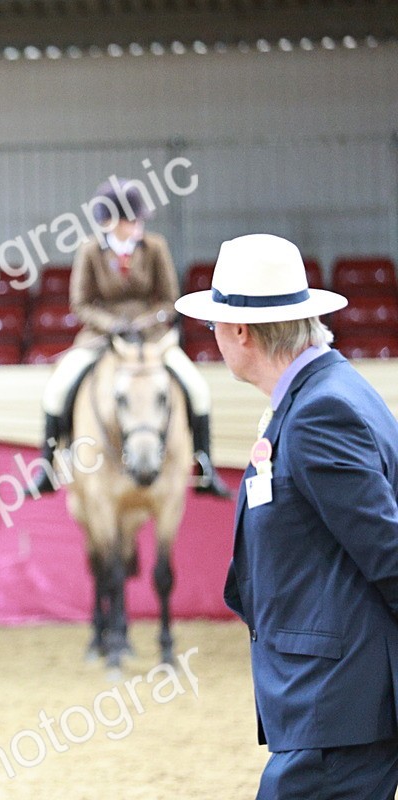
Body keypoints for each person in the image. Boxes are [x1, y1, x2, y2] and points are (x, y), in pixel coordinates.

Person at [177, 233, 398, 799]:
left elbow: (389, 553)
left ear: (242, 332)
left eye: (216, 325)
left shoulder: (319, 412)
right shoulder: (327, 393)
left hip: (338, 707)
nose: (215, 338)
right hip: (334, 705)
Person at [26, 179, 229, 497]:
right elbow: (80, 304)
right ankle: (47, 468)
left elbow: (168, 299)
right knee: (57, 388)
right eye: (130, 220)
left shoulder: (155, 247)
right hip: (102, 338)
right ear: (109, 221)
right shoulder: (90, 251)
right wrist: (113, 324)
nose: (137, 225)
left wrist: (146, 322)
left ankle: (204, 467)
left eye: (138, 219)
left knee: (197, 389)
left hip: (153, 339)